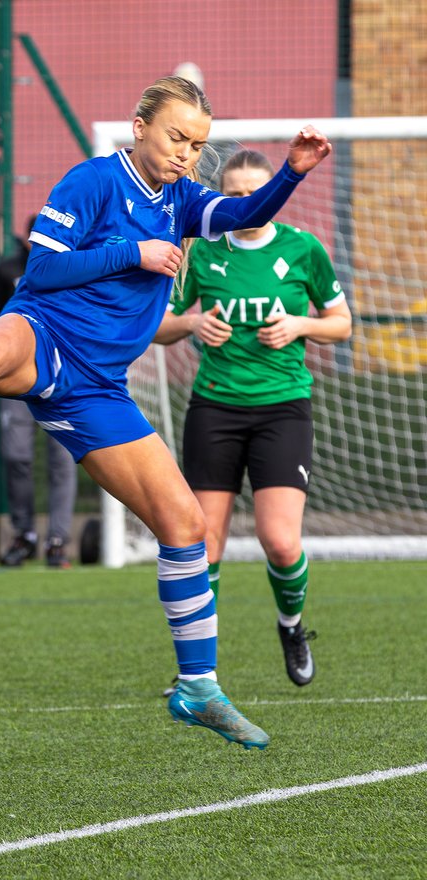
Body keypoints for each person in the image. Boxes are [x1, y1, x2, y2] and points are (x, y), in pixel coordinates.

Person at [0, 76, 333, 750]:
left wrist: (291, 172)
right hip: (45, 334)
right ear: (139, 125)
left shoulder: (183, 198)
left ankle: (197, 688)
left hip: (98, 390)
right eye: (176, 138)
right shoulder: (90, 182)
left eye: (197, 146)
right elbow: (43, 272)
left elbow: (239, 214)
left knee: (186, 526)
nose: (186, 155)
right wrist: (132, 253)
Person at [153, 148, 351, 691]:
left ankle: (291, 626)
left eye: (254, 192)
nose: (245, 202)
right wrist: (192, 322)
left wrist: (298, 325)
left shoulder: (302, 248)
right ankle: (198, 669)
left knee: (281, 542)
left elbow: (341, 323)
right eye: (234, 193)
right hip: (214, 408)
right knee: (203, 543)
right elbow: (159, 324)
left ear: (273, 192)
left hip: (283, 408)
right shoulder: (205, 250)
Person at [0, 223, 77, 568]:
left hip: (63, 373)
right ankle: (24, 535)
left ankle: (58, 541)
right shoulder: (7, 270)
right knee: (15, 454)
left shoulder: (75, 267)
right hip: (15, 375)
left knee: (63, 459)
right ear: (28, 240)